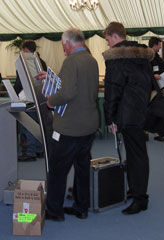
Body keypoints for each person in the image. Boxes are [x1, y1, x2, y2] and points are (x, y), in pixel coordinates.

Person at [36, 28, 99, 221]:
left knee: (57, 170)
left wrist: (50, 101)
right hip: (88, 125)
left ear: (67, 43)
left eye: (63, 44)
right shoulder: (91, 59)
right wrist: (52, 77)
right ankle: (81, 208)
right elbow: (76, 86)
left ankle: (54, 211)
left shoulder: (71, 61)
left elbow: (67, 93)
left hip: (70, 126)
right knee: (82, 168)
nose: (63, 48)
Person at [102, 22, 154, 214]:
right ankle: (136, 190)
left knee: (137, 156)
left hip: (127, 114)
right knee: (137, 154)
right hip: (140, 112)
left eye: (107, 40)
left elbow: (112, 91)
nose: (107, 44)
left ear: (114, 36)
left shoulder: (116, 58)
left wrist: (110, 119)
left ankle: (140, 198)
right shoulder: (142, 55)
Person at [14, 40, 47, 161]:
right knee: (38, 125)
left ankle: (30, 152)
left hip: (28, 98)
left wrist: (14, 94)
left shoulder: (25, 62)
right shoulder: (40, 61)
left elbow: (20, 82)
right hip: (39, 97)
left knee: (28, 126)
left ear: (26, 50)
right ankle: (39, 150)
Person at [148, 36, 164, 142]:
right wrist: (153, 76)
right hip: (151, 89)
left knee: (159, 111)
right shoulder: (147, 57)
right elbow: (145, 72)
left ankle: (157, 133)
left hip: (159, 87)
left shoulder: (157, 57)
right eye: (159, 44)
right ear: (155, 45)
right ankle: (146, 133)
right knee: (149, 111)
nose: (160, 46)